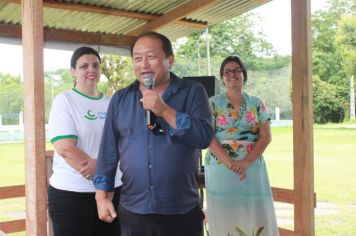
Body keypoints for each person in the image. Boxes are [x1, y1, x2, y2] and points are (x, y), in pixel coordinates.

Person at [93, 31, 213, 236]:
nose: (144, 64)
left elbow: (203, 137)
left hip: (180, 209)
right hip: (134, 209)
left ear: (170, 60)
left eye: (151, 57)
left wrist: (164, 110)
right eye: (137, 58)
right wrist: (102, 196)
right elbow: (108, 151)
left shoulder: (193, 92)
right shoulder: (121, 99)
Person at [47, 46, 122, 236]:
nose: (91, 70)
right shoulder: (64, 101)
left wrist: (102, 169)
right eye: (84, 66)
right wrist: (101, 169)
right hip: (72, 194)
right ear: (73, 72)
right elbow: (65, 148)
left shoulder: (111, 103)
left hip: (112, 191)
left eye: (95, 65)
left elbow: (123, 142)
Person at [204, 56, 279, 236]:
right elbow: (208, 137)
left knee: (255, 211)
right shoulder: (212, 103)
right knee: (225, 214)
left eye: (237, 70)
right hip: (220, 166)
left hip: (252, 165)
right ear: (222, 77)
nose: (232, 74)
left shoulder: (256, 102)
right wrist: (231, 163)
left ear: (244, 74)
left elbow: (266, 136)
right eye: (227, 71)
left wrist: (245, 162)